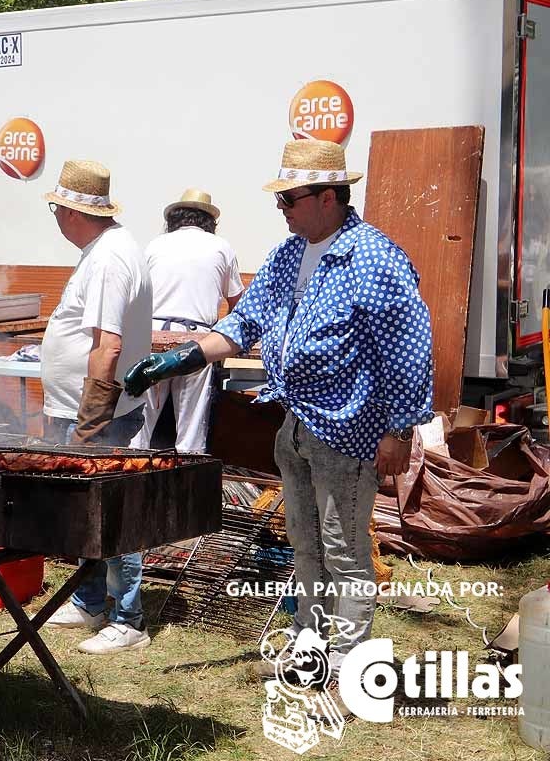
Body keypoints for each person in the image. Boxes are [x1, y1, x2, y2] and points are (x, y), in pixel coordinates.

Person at [124, 138, 433, 706]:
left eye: (289, 198)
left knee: (344, 550)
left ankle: (348, 664)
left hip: (349, 429)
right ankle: (308, 650)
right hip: (294, 424)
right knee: (304, 544)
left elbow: (408, 350)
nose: (283, 209)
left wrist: (398, 430)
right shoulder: (291, 253)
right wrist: (184, 357)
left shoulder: (376, 259)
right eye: (282, 200)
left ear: (328, 197)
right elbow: (243, 321)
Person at [38, 159, 156, 655]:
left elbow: (107, 346)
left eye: (56, 209)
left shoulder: (108, 259)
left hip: (96, 412)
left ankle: (129, 618)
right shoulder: (104, 249)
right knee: (89, 514)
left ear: (70, 211)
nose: (56, 217)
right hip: (82, 407)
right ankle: (90, 600)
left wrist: (90, 421)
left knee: (112, 512)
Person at [130, 188, 243, 454]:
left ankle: (129, 479)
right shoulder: (221, 246)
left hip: (153, 335)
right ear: (209, 221)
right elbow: (239, 305)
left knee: (140, 425)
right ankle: (187, 487)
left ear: (175, 218)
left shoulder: (156, 244)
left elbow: (137, 296)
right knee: (190, 431)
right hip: (197, 342)